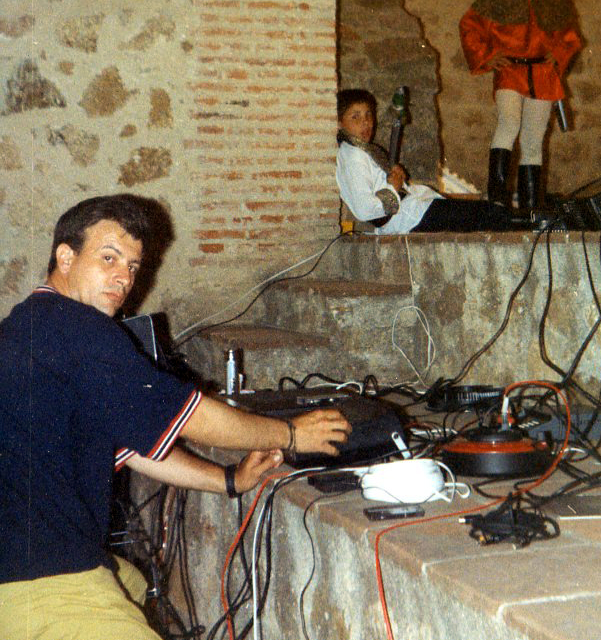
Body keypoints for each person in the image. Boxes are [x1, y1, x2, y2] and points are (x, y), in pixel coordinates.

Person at [0, 194, 351, 640]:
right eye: (108, 258)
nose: (124, 277)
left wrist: (228, 480)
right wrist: (291, 434)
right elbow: (193, 418)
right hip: (41, 580)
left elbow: (137, 449)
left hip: (24, 561)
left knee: (132, 582)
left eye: (132, 266)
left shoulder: (31, 322)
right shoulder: (78, 328)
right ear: (65, 257)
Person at [459, 0, 582, 215]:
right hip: (511, 72)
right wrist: (488, 55)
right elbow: (469, 25)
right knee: (509, 122)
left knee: (533, 140)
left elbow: (570, 38)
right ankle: (497, 201)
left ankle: (530, 208)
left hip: (543, 75)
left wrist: (557, 55)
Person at [337, 89, 515, 233]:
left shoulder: (364, 150)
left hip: (414, 210)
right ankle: (529, 222)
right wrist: (393, 188)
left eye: (368, 115)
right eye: (355, 117)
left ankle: (526, 221)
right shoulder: (353, 155)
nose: (366, 122)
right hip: (407, 219)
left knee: (486, 213)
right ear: (339, 123)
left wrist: (396, 178)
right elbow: (364, 209)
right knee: (486, 214)